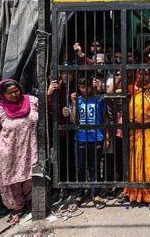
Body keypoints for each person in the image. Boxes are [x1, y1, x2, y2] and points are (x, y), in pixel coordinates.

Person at [0, 79, 38, 226]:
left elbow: (48, 107)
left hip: (30, 148)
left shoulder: (32, 102)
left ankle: (31, 203)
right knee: (11, 182)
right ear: (3, 95)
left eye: (16, 91)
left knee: (30, 177)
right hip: (9, 152)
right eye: (9, 93)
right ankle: (17, 208)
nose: (14, 94)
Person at [119, 69, 150, 210]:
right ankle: (134, 193)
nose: (143, 75)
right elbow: (111, 91)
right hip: (134, 132)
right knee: (134, 163)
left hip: (149, 133)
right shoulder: (133, 90)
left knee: (148, 164)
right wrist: (120, 75)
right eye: (140, 73)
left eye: (147, 73)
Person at [62, 77, 107, 209]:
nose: (84, 90)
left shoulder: (99, 100)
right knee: (80, 167)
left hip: (97, 137)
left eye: (86, 87)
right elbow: (73, 121)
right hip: (80, 138)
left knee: (94, 167)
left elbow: (104, 118)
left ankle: (95, 193)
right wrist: (74, 104)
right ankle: (80, 192)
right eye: (81, 87)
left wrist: (107, 136)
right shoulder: (78, 100)